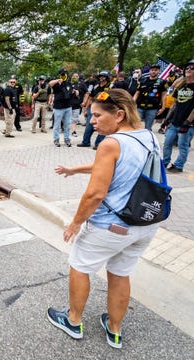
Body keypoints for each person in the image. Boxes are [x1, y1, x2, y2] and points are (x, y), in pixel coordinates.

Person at [48, 88, 161, 349]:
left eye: (98, 115)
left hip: (112, 226)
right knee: (121, 273)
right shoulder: (148, 137)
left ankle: (73, 321)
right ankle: (114, 329)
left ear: (119, 114)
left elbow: (96, 194)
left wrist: (76, 223)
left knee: (80, 265)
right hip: (144, 224)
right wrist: (75, 169)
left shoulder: (110, 143)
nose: (92, 121)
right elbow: (118, 165)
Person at [162, 59, 194, 173]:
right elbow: (174, 104)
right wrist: (167, 119)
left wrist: (188, 122)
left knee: (182, 145)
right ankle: (165, 162)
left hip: (188, 123)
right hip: (175, 121)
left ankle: (179, 165)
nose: (189, 69)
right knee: (167, 143)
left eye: (192, 68)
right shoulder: (182, 85)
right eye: (187, 67)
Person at [78, 71, 111, 149]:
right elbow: (90, 98)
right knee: (89, 126)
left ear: (106, 77)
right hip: (93, 108)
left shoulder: (110, 86)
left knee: (102, 126)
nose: (101, 78)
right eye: (100, 76)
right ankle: (85, 142)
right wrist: (85, 109)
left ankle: (98, 144)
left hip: (104, 109)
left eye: (103, 76)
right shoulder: (96, 86)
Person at [133, 63, 167, 131]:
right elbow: (137, 93)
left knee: (148, 128)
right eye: (152, 70)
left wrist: (163, 107)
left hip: (153, 108)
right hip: (140, 106)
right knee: (135, 125)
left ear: (159, 71)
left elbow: (164, 95)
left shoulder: (162, 82)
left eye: (155, 70)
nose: (153, 71)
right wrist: (131, 103)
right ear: (150, 71)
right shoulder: (143, 80)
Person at [48, 69, 73, 147]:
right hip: (58, 107)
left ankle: (67, 139)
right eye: (62, 74)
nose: (64, 75)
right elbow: (50, 83)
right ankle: (56, 139)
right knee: (57, 125)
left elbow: (70, 92)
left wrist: (75, 91)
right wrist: (58, 80)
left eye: (65, 74)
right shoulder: (56, 83)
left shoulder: (69, 83)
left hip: (68, 107)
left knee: (67, 124)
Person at [69, 72, 87, 137]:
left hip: (77, 105)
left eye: (76, 76)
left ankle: (73, 131)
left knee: (74, 119)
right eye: (73, 76)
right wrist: (72, 91)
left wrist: (84, 102)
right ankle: (66, 129)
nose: (74, 77)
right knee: (67, 118)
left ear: (78, 77)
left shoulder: (82, 84)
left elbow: (87, 93)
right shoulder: (69, 84)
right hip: (67, 105)